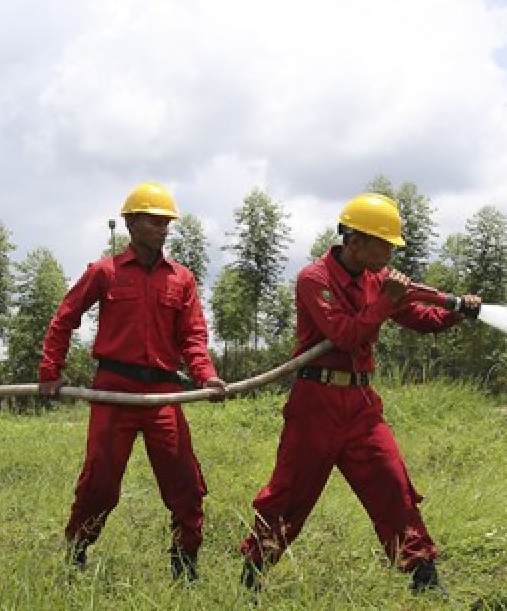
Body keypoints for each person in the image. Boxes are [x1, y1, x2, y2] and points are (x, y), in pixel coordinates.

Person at [239, 193, 481, 594]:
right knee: (289, 496)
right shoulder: (314, 279)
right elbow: (346, 335)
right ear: (355, 241)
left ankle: (425, 581)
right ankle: (251, 578)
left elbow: (421, 318)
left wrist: (457, 311)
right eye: (384, 244)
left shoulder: (376, 280)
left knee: (393, 488)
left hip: (361, 405)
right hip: (315, 402)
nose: (390, 252)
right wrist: (387, 299)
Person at [39, 182, 227, 580]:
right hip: (114, 390)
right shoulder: (103, 273)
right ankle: (76, 553)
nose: (164, 229)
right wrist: (49, 373)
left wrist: (206, 376)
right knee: (100, 485)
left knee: (186, 485)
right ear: (131, 223)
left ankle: (185, 567)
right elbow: (65, 317)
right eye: (155, 221)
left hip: (163, 392)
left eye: (166, 222)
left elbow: (193, 337)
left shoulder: (182, 279)